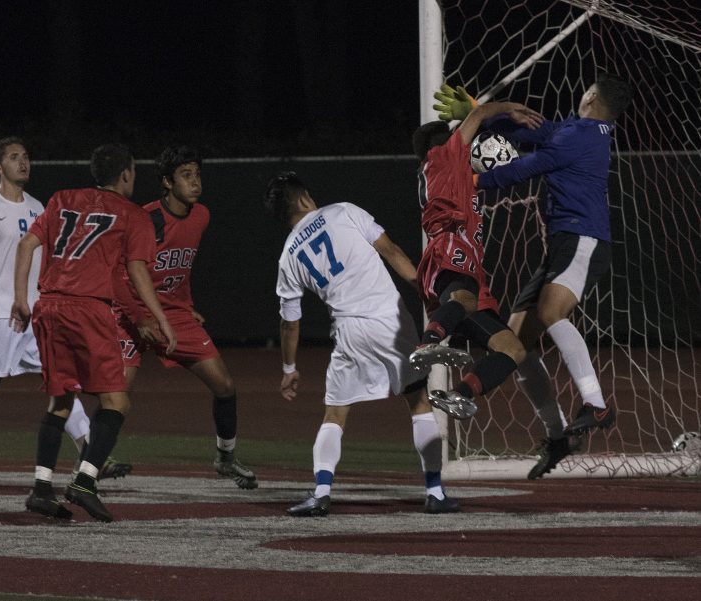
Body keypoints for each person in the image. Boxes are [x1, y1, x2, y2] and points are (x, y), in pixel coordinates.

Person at [265, 171, 464, 517]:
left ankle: (322, 492)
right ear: (303, 199)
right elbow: (391, 251)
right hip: (389, 320)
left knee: (335, 414)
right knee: (418, 402)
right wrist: (428, 294)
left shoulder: (288, 257)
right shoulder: (343, 211)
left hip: (349, 331)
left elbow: (289, 323)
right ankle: (435, 492)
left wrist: (289, 368)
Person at [467, 73, 634, 478]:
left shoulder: (582, 135)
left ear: (590, 95)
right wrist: (479, 114)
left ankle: (596, 404)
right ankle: (558, 434)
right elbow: (534, 131)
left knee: (552, 311)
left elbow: (524, 167)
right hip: (561, 244)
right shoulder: (580, 130)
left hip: (583, 239)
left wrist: (468, 181)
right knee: (515, 342)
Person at [12, 143, 174, 522]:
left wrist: (20, 299)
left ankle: (40, 488)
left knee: (61, 401)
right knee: (117, 402)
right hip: (88, 309)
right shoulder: (132, 215)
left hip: (48, 305)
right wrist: (160, 317)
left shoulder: (61, 198)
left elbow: (25, 245)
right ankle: (84, 482)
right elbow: (136, 270)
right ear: (127, 174)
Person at [0, 137, 129, 488]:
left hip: (40, 314)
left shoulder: (40, 207)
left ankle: (92, 453)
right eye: (14, 157)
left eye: (26, 156)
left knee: (63, 387)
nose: (24, 163)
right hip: (0, 313)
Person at [116, 146, 258, 490]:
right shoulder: (145, 219)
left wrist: (184, 304)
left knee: (225, 385)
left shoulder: (200, 216)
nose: (195, 182)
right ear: (167, 182)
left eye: (197, 175)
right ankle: (87, 465)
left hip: (174, 315)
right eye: (186, 175)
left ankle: (225, 458)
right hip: (132, 314)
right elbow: (119, 275)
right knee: (116, 397)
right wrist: (140, 318)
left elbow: (180, 269)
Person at [408, 93, 542, 417]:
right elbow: (480, 113)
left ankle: (460, 393)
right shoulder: (443, 157)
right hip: (448, 251)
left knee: (512, 350)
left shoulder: (451, 176)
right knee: (463, 299)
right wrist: (509, 108)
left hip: (466, 268)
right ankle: (427, 346)